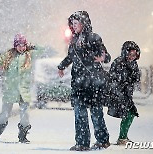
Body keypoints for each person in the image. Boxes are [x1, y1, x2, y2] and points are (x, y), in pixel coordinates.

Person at [58, 11, 111, 151]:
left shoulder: (94, 38)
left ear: (83, 24)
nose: (74, 27)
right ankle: (82, 143)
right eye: (72, 24)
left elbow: (106, 55)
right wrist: (62, 66)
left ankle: (102, 140)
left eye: (76, 24)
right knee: (80, 113)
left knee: (96, 113)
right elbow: (70, 57)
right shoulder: (74, 40)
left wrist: (102, 58)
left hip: (93, 82)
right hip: (78, 83)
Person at [0, 34, 44, 143]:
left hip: (24, 91)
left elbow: (42, 49)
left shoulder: (29, 55)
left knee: (25, 116)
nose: (21, 48)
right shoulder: (8, 56)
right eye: (19, 45)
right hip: (10, 91)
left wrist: (32, 46)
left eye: (23, 45)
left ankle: (23, 135)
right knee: (4, 115)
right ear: (15, 46)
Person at [107, 41, 141, 145]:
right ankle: (122, 137)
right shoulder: (119, 62)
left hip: (126, 94)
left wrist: (133, 78)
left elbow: (136, 77)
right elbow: (114, 78)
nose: (132, 57)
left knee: (130, 114)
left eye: (134, 55)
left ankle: (123, 137)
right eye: (130, 54)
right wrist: (121, 88)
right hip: (119, 93)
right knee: (129, 113)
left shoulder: (133, 64)